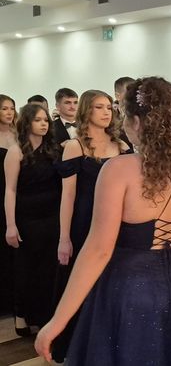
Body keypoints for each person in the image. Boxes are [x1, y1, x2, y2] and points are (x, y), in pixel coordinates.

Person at [35, 77, 171, 365]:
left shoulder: (118, 170)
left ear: (136, 122)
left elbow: (98, 250)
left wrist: (57, 321)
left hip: (126, 291)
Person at [51, 90, 130, 363]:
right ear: (87, 110)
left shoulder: (121, 145)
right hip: (84, 224)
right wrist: (64, 237)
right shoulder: (75, 147)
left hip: (118, 224)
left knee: (113, 284)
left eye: (109, 107)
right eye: (99, 107)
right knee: (84, 282)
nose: (106, 112)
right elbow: (68, 196)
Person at [4, 104, 61, 335]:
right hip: (27, 218)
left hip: (52, 216)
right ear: (27, 123)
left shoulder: (53, 150)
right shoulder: (15, 151)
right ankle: (22, 315)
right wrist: (10, 225)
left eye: (45, 120)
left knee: (49, 268)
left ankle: (45, 315)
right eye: (38, 120)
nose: (44, 124)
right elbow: (10, 190)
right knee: (26, 268)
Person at [0, 94, 17, 316]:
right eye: (4, 108)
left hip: (14, 195)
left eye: (11, 108)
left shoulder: (17, 134)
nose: (9, 112)